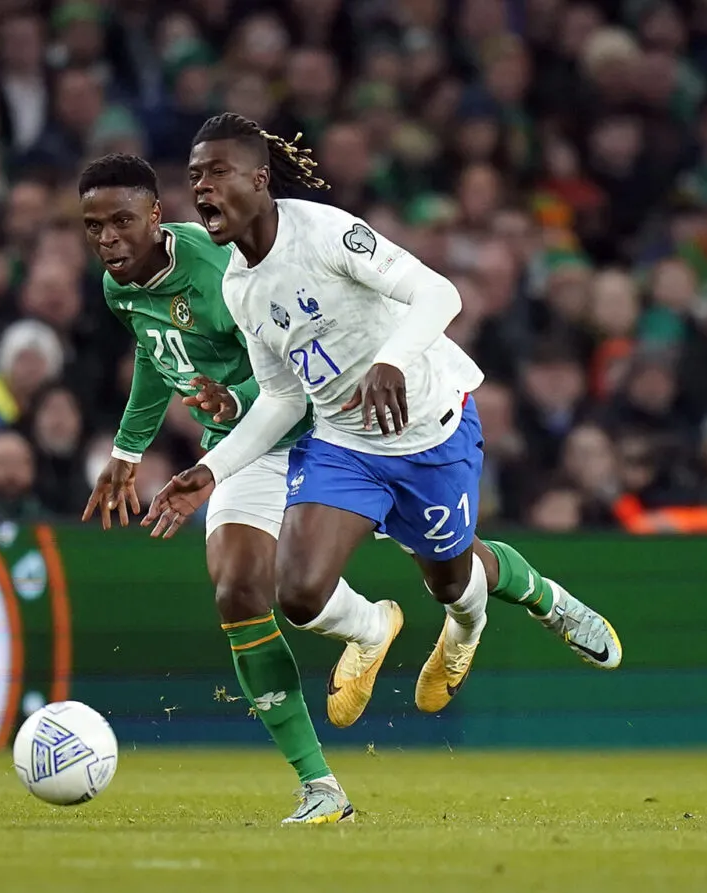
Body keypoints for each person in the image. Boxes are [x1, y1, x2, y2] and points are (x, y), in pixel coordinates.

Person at [143, 112, 622, 739]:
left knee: (454, 584)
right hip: (345, 445)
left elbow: (440, 296)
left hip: (431, 431)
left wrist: (391, 362)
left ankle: (518, 608)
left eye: (217, 173)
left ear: (259, 180)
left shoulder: (327, 233)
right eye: (194, 177)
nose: (201, 188)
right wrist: (211, 470)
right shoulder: (239, 287)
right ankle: (373, 631)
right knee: (298, 591)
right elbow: (284, 398)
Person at [78, 154, 350, 825]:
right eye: (93, 226)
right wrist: (127, 449)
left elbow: (297, 366)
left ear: (155, 215)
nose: (107, 238)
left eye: (120, 221)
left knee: (440, 563)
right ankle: (320, 786)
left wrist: (235, 398)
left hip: (321, 432)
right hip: (241, 450)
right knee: (236, 591)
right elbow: (153, 348)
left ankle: (383, 622)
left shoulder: (221, 272)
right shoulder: (119, 285)